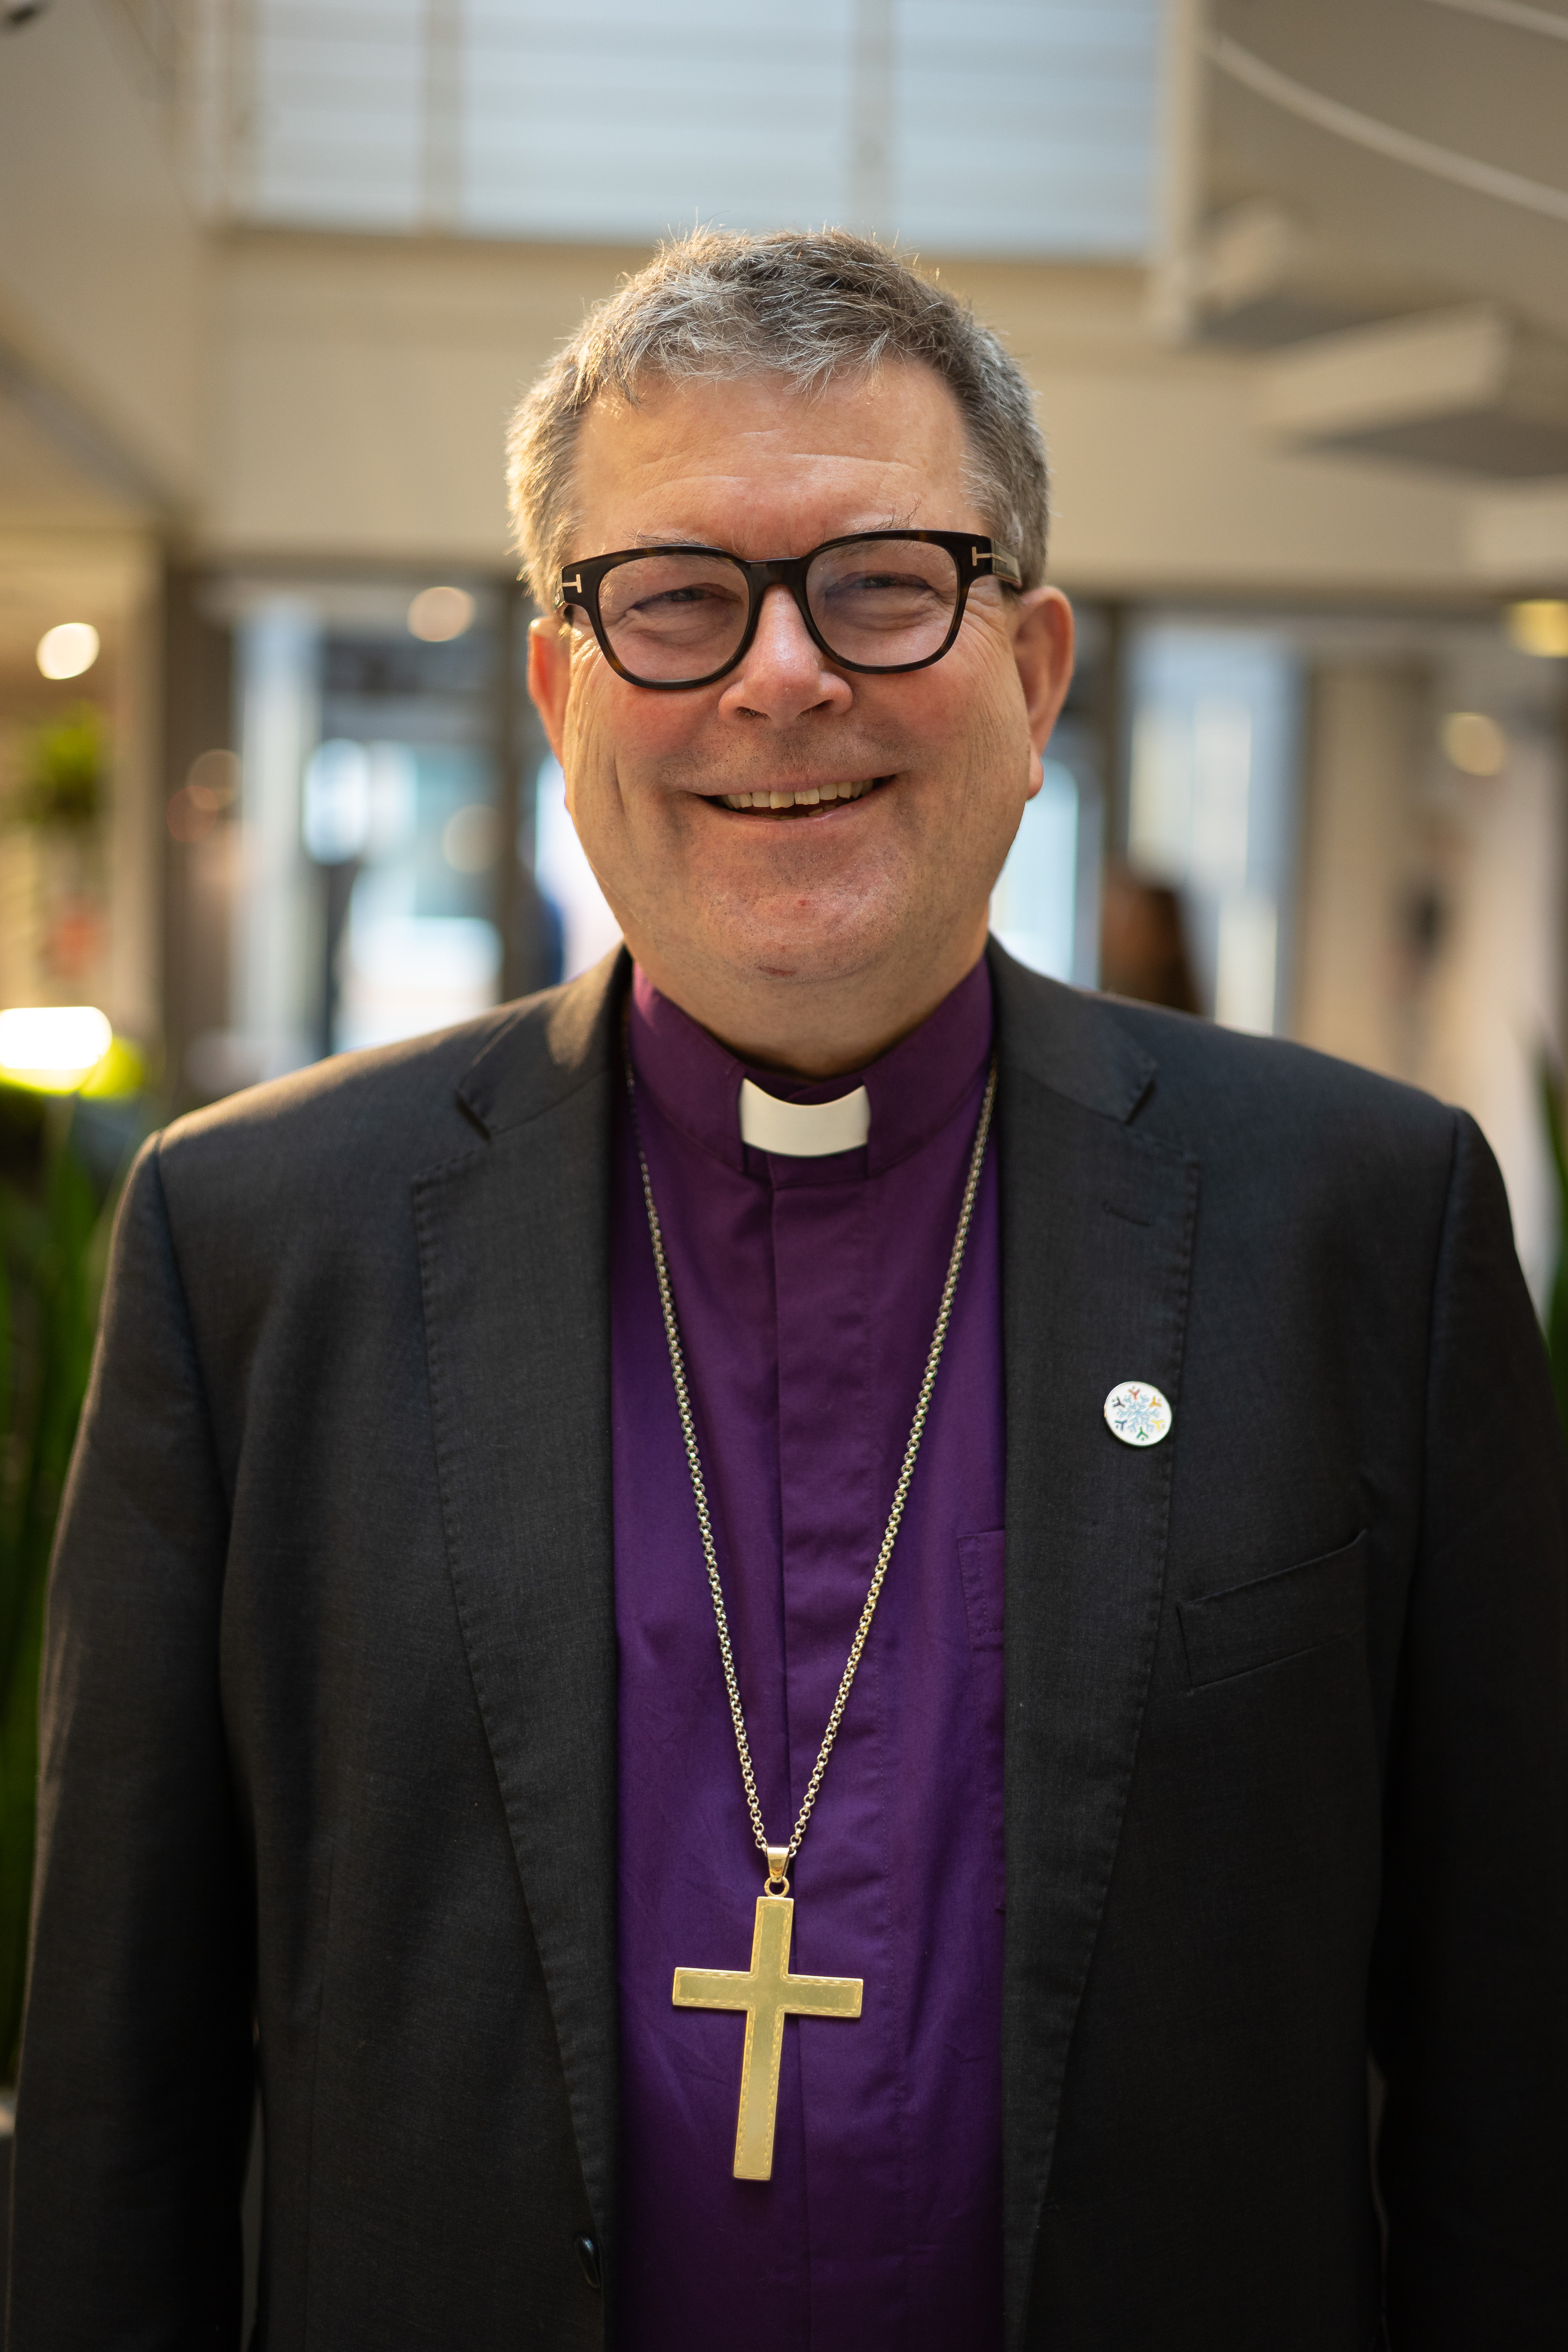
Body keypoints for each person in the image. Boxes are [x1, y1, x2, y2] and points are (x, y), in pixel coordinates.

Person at [9, 229, 1566, 2352]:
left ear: (1035, 674)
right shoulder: (256, 1250)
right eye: (675, 600)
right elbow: (121, 2115)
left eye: (881, 584)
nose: (781, 679)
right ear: (560, 697)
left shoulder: (1362, 1230)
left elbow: (1508, 2076)